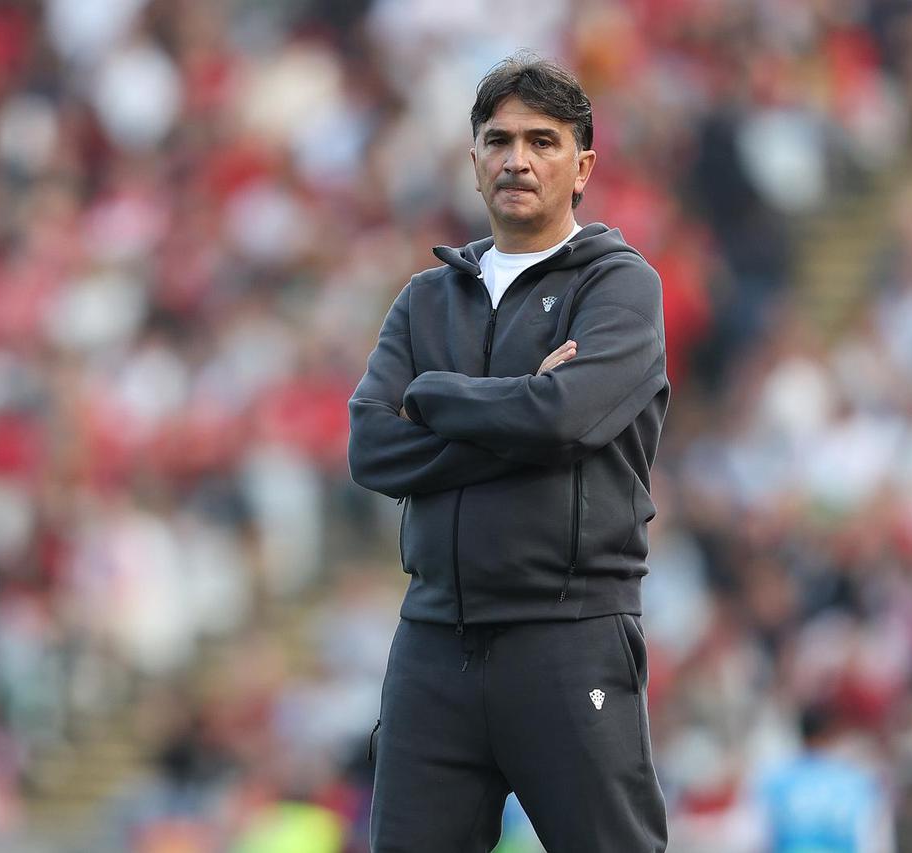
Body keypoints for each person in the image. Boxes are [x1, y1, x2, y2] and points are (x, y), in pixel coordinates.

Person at [347, 54, 670, 851]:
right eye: (498, 140)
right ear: (473, 159)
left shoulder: (619, 287)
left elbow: (565, 417)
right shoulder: (426, 297)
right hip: (433, 641)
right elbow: (372, 447)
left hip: (569, 635)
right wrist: (526, 415)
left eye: (542, 141)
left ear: (582, 166)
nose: (516, 159)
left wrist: (437, 395)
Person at [753, 703, 893, 853]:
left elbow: (755, 836)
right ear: (832, 732)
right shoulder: (857, 780)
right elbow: (874, 840)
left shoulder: (774, 778)